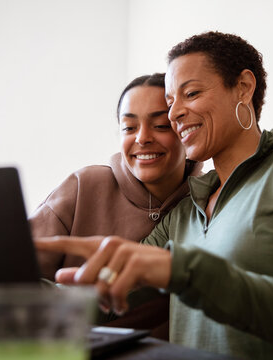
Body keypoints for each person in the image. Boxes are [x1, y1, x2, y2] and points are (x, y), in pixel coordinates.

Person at [36, 32, 273, 359]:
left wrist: (187, 271)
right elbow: (104, 297)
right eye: (171, 102)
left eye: (191, 93)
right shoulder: (185, 211)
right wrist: (7, 293)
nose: (174, 114)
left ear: (243, 87)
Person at [29, 73, 203, 339]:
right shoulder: (85, 184)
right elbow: (14, 277)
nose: (142, 138)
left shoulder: (205, 206)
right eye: (129, 128)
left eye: (160, 125)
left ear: (183, 128)